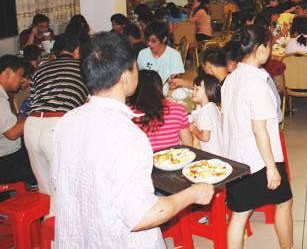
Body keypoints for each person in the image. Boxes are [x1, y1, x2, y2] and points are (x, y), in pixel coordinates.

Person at [51, 32, 214, 246]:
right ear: (125, 76)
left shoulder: (67, 122)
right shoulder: (126, 134)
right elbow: (142, 215)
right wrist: (193, 193)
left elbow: (60, 182)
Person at [221, 25, 293, 249]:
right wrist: (271, 167)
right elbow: (259, 129)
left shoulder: (231, 78)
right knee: (284, 203)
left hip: (235, 159)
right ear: (260, 49)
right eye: (269, 47)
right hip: (259, 159)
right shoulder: (257, 84)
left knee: (240, 214)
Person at [24, 34, 88, 200]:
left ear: (55, 52)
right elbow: (89, 103)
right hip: (57, 125)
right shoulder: (83, 68)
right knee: (64, 189)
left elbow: (32, 100)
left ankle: (47, 216)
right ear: (76, 50)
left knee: (45, 190)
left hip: (31, 126)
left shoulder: (39, 70)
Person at [130, 70, 192, 151]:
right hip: (172, 158)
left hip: (143, 159)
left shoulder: (129, 114)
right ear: (160, 87)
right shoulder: (178, 110)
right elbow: (188, 145)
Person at [0, 55, 35, 185]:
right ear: (8, 72)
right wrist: (37, 116)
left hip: (7, 157)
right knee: (41, 167)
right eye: (20, 75)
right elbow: (12, 133)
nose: (21, 81)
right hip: (6, 161)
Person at [189, 74, 223, 155]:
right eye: (193, 89)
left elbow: (205, 137)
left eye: (197, 89)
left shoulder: (205, 113)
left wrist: (194, 129)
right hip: (219, 151)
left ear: (209, 92)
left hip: (211, 154)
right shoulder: (213, 107)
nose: (193, 92)